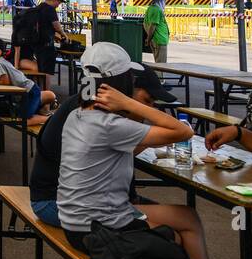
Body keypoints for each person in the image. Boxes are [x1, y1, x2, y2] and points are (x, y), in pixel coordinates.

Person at [56, 42, 213, 259]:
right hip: (98, 226)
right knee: (184, 226)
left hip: (74, 219)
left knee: (185, 217)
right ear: (121, 84)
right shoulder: (108, 123)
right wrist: (129, 104)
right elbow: (184, 131)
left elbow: (120, 151)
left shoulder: (78, 114)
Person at [30, 62, 176, 227]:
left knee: (179, 220)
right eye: (147, 101)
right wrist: (151, 137)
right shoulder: (94, 113)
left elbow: (108, 154)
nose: (149, 109)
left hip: (72, 199)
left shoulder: (90, 104)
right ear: (124, 90)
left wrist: (147, 138)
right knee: (169, 230)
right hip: (56, 203)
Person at [0, 36, 57, 120]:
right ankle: (39, 108)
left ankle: (51, 119)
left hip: (30, 92)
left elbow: (6, 82)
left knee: (23, 118)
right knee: (24, 112)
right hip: (27, 92)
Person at [16, 0, 65, 74]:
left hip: (37, 44)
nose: (58, 5)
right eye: (59, 3)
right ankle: (47, 87)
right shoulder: (50, 9)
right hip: (46, 45)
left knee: (41, 69)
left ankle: (42, 87)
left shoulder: (39, 7)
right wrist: (64, 35)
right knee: (47, 71)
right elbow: (56, 26)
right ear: (55, 0)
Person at [143, 0, 170, 64]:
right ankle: (159, 76)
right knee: (161, 65)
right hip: (159, 40)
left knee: (158, 63)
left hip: (156, 40)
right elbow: (152, 26)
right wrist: (148, 39)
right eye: (164, 0)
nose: (165, 2)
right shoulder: (157, 10)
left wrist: (149, 39)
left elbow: (145, 24)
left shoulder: (150, 9)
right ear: (160, 0)